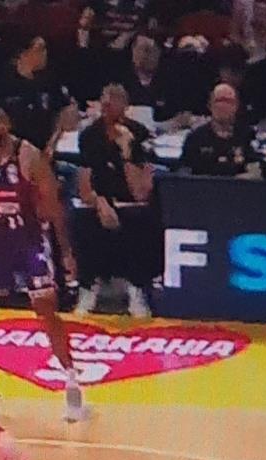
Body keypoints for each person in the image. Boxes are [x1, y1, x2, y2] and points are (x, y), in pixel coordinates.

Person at [0, 103, 87, 423]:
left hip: (27, 242)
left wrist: (66, 252)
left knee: (46, 310)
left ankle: (72, 382)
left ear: (9, 124)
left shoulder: (28, 156)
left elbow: (53, 207)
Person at [75, 84, 159, 318]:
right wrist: (101, 203)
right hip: (100, 201)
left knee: (140, 218)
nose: (107, 107)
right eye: (105, 102)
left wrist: (127, 154)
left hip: (131, 203)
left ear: (125, 106)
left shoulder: (140, 134)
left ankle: (136, 288)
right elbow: (84, 187)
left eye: (113, 102)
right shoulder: (89, 135)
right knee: (82, 218)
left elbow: (141, 192)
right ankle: (88, 286)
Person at [179, 83, 261, 176]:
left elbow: (257, 170)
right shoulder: (195, 138)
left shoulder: (248, 136)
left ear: (237, 106)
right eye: (219, 101)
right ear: (210, 105)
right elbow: (184, 173)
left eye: (228, 101)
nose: (223, 106)